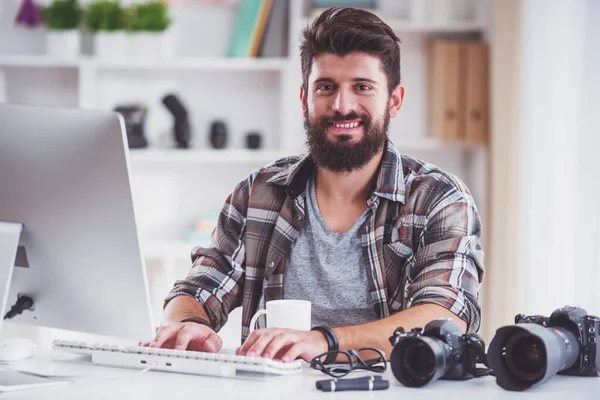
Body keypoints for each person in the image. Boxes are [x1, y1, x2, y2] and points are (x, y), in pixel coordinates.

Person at [146, 7, 485, 363]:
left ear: (394, 100)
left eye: (362, 87)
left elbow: (445, 315)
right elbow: (199, 288)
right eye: (326, 87)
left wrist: (323, 342)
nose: (342, 106)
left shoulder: (438, 197)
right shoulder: (258, 193)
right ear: (305, 98)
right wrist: (188, 324)